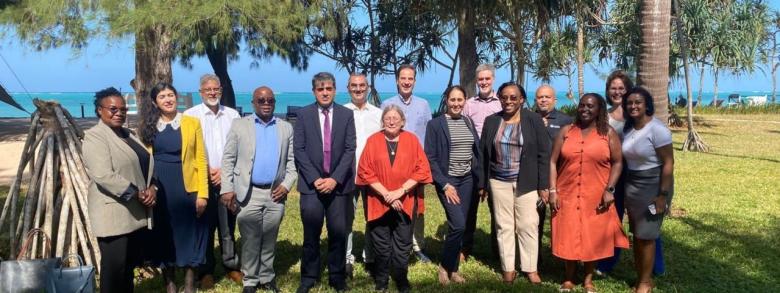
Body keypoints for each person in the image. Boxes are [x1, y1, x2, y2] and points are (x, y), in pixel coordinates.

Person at [548, 93, 629, 292]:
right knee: (568, 232)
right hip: (566, 191)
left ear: (599, 109)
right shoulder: (567, 131)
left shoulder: (608, 133)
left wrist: (610, 189)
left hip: (596, 193)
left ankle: (588, 280)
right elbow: (552, 161)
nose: (585, 109)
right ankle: (568, 277)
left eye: (590, 106)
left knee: (592, 235)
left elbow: (618, 162)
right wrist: (552, 190)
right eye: (582, 105)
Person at [220, 86, 296, 293]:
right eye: (261, 100)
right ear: (253, 103)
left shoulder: (285, 128)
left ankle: (267, 277)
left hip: (274, 194)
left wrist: (287, 185)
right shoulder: (239, 125)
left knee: (270, 238)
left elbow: (291, 163)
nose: (266, 104)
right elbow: (228, 159)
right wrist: (227, 189)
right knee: (250, 239)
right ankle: (250, 281)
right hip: (248, 192)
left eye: (270, 100)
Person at [82, 87, 155, 293]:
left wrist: (152, 187)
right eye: (113, 109)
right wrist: (136, 193)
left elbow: (146, 166)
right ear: (99, 110)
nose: (119, 113)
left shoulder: (129, 134)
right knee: (114, 272)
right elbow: (103, 174)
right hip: (113, 215)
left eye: (123, 109)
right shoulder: (95, 136)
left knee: (127, 270)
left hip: (135, 213)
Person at [139, 82, 209, 293]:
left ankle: (189, 284)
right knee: (164, 235)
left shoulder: (191, 123)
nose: (168, 99)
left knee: (190, 236)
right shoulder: (147, 126)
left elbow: (201, 159)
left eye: (171, 95)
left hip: (187, 186)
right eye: (162, 96)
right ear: (155, 102)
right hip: (160, 187)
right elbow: (144, 160)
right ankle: (169, 283)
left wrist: (203, 194)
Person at [479, 82, 550, 284]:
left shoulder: (533, 120)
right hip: (498, 181)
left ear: (521, 99)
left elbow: (544, 153)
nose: (508, 101)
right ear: (499, 98)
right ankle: (508, 268)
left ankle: (530, 268)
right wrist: (482, 184)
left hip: (527, 181)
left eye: (513, 97)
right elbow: (484, 154)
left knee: (528, 224)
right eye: (504, 97)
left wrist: (543, 185)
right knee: (504, 225)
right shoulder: (492, 121)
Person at [356, 105, 432, 293]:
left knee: (403, 242)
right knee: (381, 244)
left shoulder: (412, 140)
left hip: (405, 201)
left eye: (395, 118)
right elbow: (365, 170)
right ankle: (381, 280)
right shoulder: (373, 141)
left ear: (402, 122)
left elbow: (422, 169)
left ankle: (400, 277)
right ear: (382, 121)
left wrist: (400, 191)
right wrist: (387, 195)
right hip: (378, 200)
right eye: (387, 118)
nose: (391, 121)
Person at [597, 72, 666, 276]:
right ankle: (606, 263)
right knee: (612, 218)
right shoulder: (604, 115)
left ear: (628, 91)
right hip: (612, 174)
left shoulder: (635, 114)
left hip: (638, 174)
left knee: (646, 220)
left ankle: (656, 266)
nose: (617, 92)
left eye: (621, 88)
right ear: (608, 91)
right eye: (613, 88)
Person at [294, 72, 357, 293]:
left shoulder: (346, 114)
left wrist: (334, 179)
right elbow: (299, 150)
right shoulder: (303, 115)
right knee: (311, 233)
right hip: (312, 186)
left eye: (328, 88)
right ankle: (309, 276)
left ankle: (337, 276)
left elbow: (350, 149)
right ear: (314, 91)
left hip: (338, 186)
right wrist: (316, 179)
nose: (325, 92)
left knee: (338, 232)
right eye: (320, 89)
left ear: (335, 90)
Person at [182, 74, 242, 288]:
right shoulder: (190, 116)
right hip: (202, 181)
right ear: (200, 92)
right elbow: (188, 152)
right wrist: (207, 171)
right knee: (204, 228)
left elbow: (238, 148)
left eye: (216, 89)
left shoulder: (233, 115)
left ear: (221, 90)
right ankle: (205, 271)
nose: (212, 92)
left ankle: (231, 266)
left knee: (228, 228)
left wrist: (225, 174)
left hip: (227, 181)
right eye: (208, 89)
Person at [424, 85, 482, 285]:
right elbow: (430, 158)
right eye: (452, 100)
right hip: (448, 181)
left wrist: (479, 179)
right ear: (446, 101)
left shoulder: (468, 121)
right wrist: (445, 184)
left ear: (465, 100)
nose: (456, 104)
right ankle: (444, 267)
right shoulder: (435, 125)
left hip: (467, 180)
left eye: (460, 100)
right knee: (457, 224)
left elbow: (476, 151)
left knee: (462, 225)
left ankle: (454, 269)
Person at [621, 87, 675, 293]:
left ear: (647, 105)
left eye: (638, 102)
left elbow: (668, 163)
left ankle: (644, 283)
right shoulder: (629, 128)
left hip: (654, 183)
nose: (633, 106)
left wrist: (662, 195)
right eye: (629, 103)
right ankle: (642, 278)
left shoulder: (657, 129)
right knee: (637, 234)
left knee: (647, 235)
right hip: (633, 183)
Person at [380, 64, 433, 263]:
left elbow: (428, 135)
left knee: (418, 207)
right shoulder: (387, 103)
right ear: (397, 80)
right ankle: (396, 243)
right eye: (403, 78)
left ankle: (418, 246)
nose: (406, 82)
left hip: (416, 165)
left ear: (414, 81)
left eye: (410, 78)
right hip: (393, 164)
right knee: (395, 203)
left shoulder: (424, 105)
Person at [461, 63, 502, 261]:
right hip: (473, 160)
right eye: (480, 79)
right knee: (469, 208)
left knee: (498, 210)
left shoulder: (501, 103)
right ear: (476, 81)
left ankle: (499, 250)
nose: (484, 82)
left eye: (487, 78)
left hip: (496, 161)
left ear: (493, 79)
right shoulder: (469, 104)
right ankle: (465, 248)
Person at [343, 73, 383, 278]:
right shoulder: (341, 113)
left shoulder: (378, 114)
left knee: (373, 218)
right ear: (348, 88)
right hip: (347, 175)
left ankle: (370, 258)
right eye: (354, 86)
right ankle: (347, 259)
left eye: (362, 85)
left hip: (373, 177)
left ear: (368, 87)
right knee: (346, 218)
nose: (358, 89)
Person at [533, 84, 573, 268]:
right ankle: (536, 257)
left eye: (547, 97)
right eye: (540, 97)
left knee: (562, 221)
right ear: (535, 100)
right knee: (535, 221)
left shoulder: (566, 121)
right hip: (534, 178)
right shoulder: (528, 118)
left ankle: (564, 258)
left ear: (555, 100)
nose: (543, 100)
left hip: (560, 179)